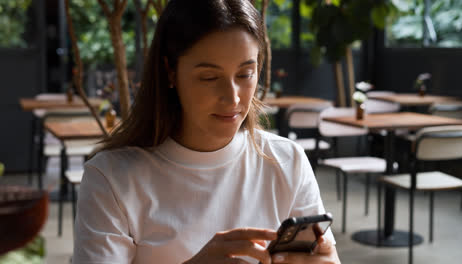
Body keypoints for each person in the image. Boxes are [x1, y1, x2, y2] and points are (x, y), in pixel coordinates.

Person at [73, 0, 340, 263]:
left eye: (246, 74)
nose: (232, 98)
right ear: (170, 72)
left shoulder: (287, 161)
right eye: (209, 78)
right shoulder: (111, 179)